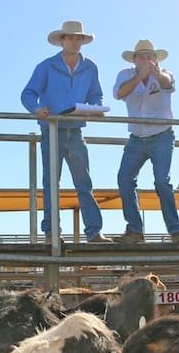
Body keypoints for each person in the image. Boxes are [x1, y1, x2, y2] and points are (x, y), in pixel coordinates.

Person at [21, 20, 111, 243]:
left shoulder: (91, 67)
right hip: (52, 130)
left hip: (76, 131)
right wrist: (37, 109)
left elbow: (96, 95)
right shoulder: (46, 66)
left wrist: (93, 109)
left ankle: (94, 232)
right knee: (52, 183)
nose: (74, 41)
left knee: (84, 184)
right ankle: (52, 233)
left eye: (78, 38)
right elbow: (28, 94)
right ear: (62, 41)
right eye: (70, 37)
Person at [112, 39, 179, 245]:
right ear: (134, 60)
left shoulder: (165, 74)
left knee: (162, 181)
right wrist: (140, 77)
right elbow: (119, 93)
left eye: (150, 56)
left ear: (155, 59)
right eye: (142, 56)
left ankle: (175, 232)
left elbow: (167, 84)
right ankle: (135, 230)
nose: (147, 60)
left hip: (162, 135)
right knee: (124, 179)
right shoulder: (125, 75)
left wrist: (156, 75)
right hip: (136, 138)